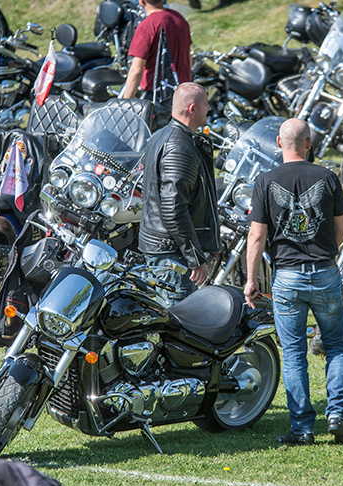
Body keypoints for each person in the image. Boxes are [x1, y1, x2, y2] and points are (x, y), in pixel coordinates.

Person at [244, 118, 343, 446]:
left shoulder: (265, 180)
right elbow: (342, 227)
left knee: (293, 353)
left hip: (287, 278)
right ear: (309, 144)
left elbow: (257, 235)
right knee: (335, 345)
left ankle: (302, 428)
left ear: (279, 143)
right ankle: (337, 415)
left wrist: (251, 279)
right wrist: (328, 253)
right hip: (324, 272)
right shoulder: (327, 177)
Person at [138, 82, 220, 304]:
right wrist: (194, 257)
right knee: (178, 322)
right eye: (206, 104)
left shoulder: (162, 134)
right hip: (171, 253)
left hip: (163, 247)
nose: (210, 109)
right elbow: (174, 209)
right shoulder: (180, 147)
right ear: (192, 108)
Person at [121, 0, 192, 100]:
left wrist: (125, 102)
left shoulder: (147, 26)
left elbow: (136, 70)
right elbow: (189, 57)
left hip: (157, 95)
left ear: (142, 1)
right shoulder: (179, 18)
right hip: (183, 92)